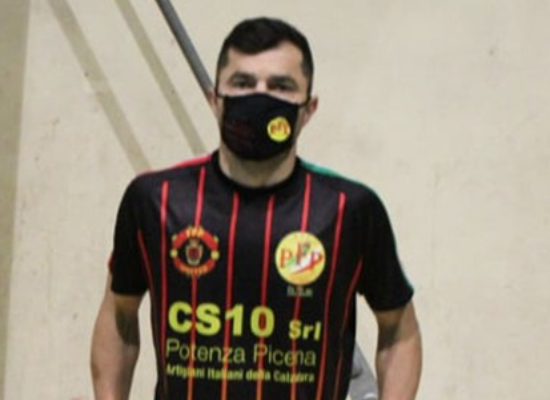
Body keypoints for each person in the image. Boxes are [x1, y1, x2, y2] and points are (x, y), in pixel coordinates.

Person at [91, 17, 422, 400]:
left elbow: (399, 330)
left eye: (281, 86)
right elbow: (119, 314)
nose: (259, 98)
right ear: (215, 100)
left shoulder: (351, 211)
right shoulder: (154, 200)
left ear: (308, 109)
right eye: (243, 83)